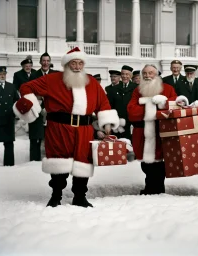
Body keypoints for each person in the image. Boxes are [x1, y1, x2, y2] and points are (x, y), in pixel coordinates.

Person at [13, 47, 120, 207]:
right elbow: (26, 87)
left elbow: (103, 103)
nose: (77, 67)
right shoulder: (52, 79)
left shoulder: (92, 82)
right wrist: (30, 104)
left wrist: (107, 123)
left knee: (83, 162)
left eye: (80, 63)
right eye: (73, 63)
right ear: (66, 64)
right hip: (59, 128)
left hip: (84, 129)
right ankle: (56, 196)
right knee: (59, 161)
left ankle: (80, 196)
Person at [127, 64, 187, 195]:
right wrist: (152, 106)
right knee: (145, 163)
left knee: (160, 162)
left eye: (151, 73)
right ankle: (150, 187)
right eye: (145, 74)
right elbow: (131, 111)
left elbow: (175, 105)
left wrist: (163, 103)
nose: (147, 76)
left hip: (161, 132)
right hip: (142, 133)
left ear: (157, 75)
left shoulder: (168, 88)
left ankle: (157, 189)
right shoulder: (137, 91)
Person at [28, 52, 58, 161]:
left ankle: (52, 159)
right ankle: (33, 161)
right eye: (43, 61)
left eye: (47, 61)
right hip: (37, 110)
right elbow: (29, 92)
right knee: (36, 137)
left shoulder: (56, 75)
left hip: (53, 111)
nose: (45, 63)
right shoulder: (34, 75)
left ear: (50, 62)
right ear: (40, 62)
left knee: (54, 137)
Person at [0, 66, 20, 166]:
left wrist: (17, 113)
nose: (2, 76)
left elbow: (17, 101)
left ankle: (9, 166)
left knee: (9, 144)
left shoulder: (11, 86)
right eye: (0, 74)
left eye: (4, 74)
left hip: (8, 119)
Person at [107, 65, 137, 140]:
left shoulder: (136, 88)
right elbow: (110, 106)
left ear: (131, 75)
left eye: (127, 74)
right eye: (123, 74)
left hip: (132, 122)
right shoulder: (113, 89)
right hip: (118, 122)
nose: (124, 76)